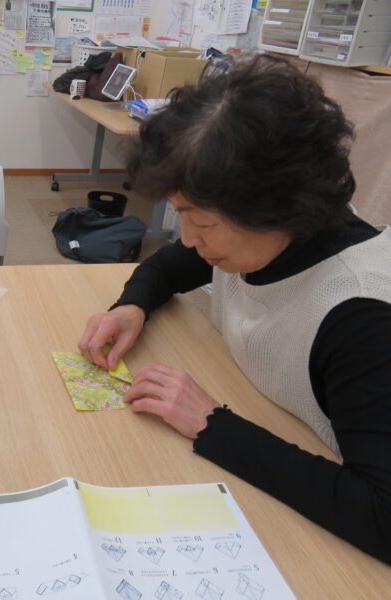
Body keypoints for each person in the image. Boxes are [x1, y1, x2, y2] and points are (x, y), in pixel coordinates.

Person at [78, 55, 391, 564]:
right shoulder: (262, 236)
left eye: (201, 222)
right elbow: (170, 267)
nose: (188, 239)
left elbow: (382, 518)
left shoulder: (362, 318)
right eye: (182, 215)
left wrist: (211, 423)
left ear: (275, 206)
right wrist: (131, 306)